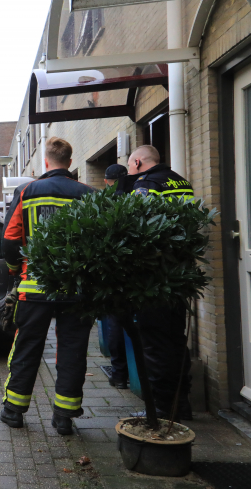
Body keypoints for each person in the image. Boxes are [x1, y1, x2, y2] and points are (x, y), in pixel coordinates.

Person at [0, 137, 95, 435]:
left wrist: (16, 271)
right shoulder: (87, 194)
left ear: (45, 162)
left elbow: (10, 239)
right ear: (69, 161)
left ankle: (14, 411)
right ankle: (64, 417)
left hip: (34, 288)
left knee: (27, 347)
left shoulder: (28, 191)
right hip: (76, 289)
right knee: (73, 350)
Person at [119, 145, 195, 421]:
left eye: (129, 167)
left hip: (154, 276)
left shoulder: (146, 184)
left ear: (137, 162)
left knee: (154, 343)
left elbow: (135, 225)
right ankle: (181, 403)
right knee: (176, 340)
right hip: (179, 275)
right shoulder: (180, 182)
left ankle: (162, 409)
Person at [103, 164, 129, 390]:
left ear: (107, 181)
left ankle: (119, 375)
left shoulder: (108, 203)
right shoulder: (136, 197)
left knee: (116, 323)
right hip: (141, 277)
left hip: (116, 275)